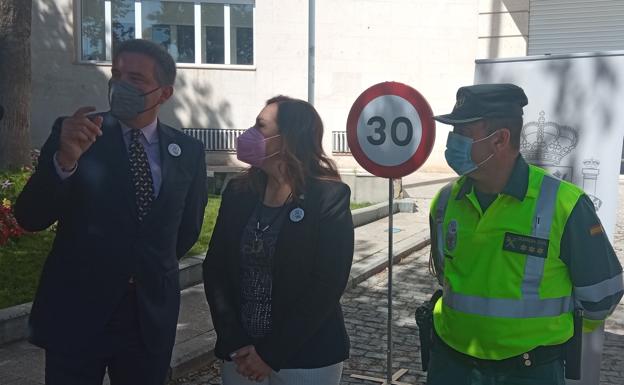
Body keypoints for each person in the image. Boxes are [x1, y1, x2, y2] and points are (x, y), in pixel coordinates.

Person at [14, 39, 207, 385]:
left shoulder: (188, 151)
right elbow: (31, 216)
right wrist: (65, 160)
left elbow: (186, 229)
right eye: (116, 74)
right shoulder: (76, 134)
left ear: (164, 93)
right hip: (78, 313)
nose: (120, 85)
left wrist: (141, 266)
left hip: (147, 316)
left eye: (135, 79)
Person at [424, 83, 624, 385]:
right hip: (451, 367)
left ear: (500, 140)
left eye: (463, 135)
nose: (452, 144)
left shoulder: (564, 205)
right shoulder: (445, 202)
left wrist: (543, 333)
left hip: (529, 372)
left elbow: (602, 296)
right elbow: (445, 274)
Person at [203, 95, 354, 384]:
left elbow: (327, 284)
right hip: (241, 356)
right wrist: (233, 339)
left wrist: (270, 354)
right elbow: (216, 269)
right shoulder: (238, 192)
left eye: (260, 126)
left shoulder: (328, 198)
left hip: (306, 358)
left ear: (288, 139)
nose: (249, 134)